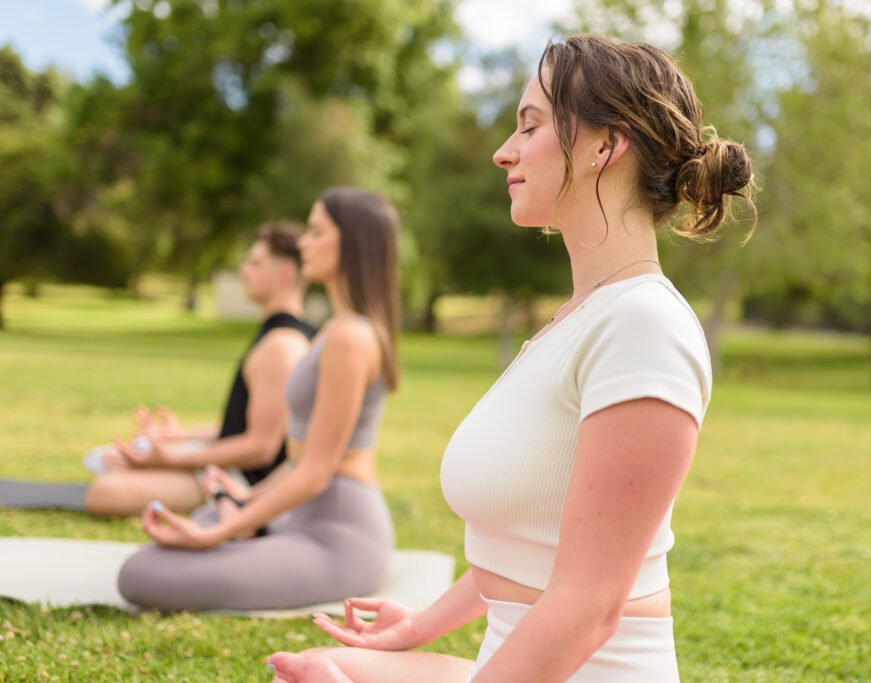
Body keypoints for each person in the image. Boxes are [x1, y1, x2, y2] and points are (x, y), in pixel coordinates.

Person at [267, 35, 756, 682]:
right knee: (309, 669)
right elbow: (534, 545)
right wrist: (418, 626)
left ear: (604, 146)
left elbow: (589, 606)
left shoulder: (644, 326)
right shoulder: (577, 320)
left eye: (530, 126)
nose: (504, 151)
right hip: (509, 659)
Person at [117, 187, 401, 612]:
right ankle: (244, 525)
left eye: (315, 231)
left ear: (352, 244)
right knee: (195, 530)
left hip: (338, 537)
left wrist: (216, 534)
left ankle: (239, 529)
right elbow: (299, 460)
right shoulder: (335, 329)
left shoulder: (350, 337)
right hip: (300, 517)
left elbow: (317, 472)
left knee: (141, 574)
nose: (303, 242)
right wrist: (246, 498)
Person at [82, 223, 316, 517]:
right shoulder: (278, 337)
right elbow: (243, 427)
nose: (244, 270)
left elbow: (261, 448)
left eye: (255, 263)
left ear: (284, 274)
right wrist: (175, 438)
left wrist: (168, 459)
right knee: (102, 458)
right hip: (229, 466)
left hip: (241, 480)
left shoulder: (282, 346)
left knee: (105, 491)